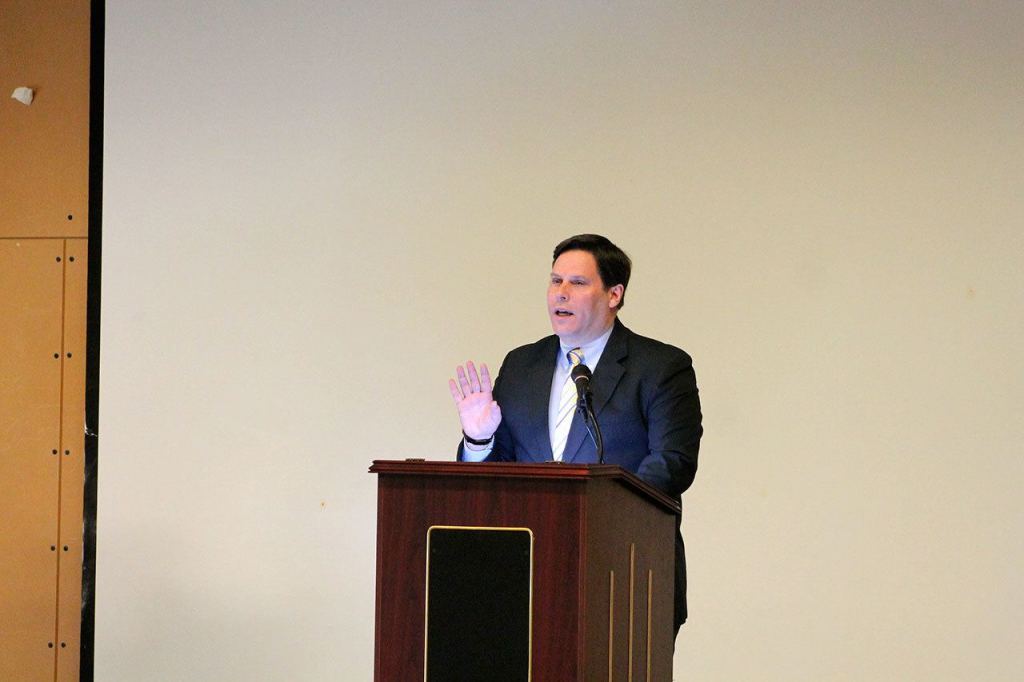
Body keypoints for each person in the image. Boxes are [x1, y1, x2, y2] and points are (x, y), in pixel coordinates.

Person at [448, 233, 703, 635]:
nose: (560, 294)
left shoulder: (660, 367)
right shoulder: (520, 365)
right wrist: (479, 439)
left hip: (627, 572)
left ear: (614, 294)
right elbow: (498, 475)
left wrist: (598, 517)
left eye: (577, 283)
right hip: (526, 578)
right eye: (555, 281)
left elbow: (673, 462)